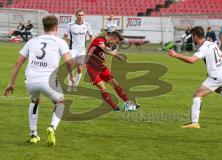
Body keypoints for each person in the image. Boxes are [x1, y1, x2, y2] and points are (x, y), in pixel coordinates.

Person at [4, 15, 74, 145]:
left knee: (35, 101)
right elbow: (69, 62)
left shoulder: (32, 41)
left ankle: (33, 134)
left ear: (44, 27)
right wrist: (72, 76)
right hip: (48, 80)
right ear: (56, 28)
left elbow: (17, 63)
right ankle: (52, 128)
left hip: (31, 79)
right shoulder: (60, 41)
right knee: (60, 102)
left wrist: (11, 83)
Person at [168, 26, 222, 128]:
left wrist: (176, 55)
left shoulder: (203, 48)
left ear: (196, 36)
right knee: (218, 89)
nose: (192, 39)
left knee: (197, 94)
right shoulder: (212, 43)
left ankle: (194, 123)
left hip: (218, 75)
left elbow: (192, 60)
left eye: (192, 36)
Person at [85, 31, 138, 111]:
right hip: (91, 67)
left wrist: (117, 54)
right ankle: (115, 108)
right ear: (112, 38)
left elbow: (111, 50)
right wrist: (116, 55)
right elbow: (104, 48)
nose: (116, 44)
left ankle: (129, 103)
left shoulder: (110, 45)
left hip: (101, 67)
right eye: (116, 42)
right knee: (101, 87)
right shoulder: (99, 40)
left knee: (115, 83)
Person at [64, 9, 94, 92]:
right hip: (72, 49)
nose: (81, 17)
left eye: (82, 15)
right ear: (76, 16)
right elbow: (65, 36)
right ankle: (70, 83)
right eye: (79, 15)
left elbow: (91, 36)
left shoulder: (87, 25)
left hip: (82, 51)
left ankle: (75, 86)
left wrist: (92, 46)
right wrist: (65, 46)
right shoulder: (70, 25)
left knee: (80, 69)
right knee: (70, 64)